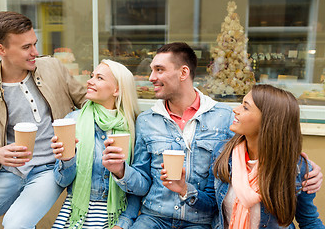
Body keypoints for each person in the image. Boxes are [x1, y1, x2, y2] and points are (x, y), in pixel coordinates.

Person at [102, 42, 323, 229]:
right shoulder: (147, 121)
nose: (151, 77)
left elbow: (271, 145)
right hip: (155, 216)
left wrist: (305, 167)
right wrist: (121, 172)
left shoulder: (225, 118)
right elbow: (141, 182)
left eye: (159, 70)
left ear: (183, 73)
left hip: (200, 220)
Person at [0, 11, 87, 228]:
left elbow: (86, 102)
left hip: (50, 169)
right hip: (8, 171)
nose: (35, 52)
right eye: (26, 47)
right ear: (0, 49)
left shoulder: (54, 68)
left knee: (15, 224)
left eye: (34, 44)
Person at [162, 84, 324, 228]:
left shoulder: (297, 168)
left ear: (268, 120)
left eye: (245, 107)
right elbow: (212, 205)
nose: (235, 110)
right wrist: (184, 189)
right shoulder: (223, 153)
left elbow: (308, 221)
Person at [51, 59, 141, 229]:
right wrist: (67, 159)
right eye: (92, 76)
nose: (90, 81)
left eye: (99, 78)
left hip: (116, 215)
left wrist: (123, 224)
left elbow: (139, 189)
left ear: (117, 89)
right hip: (75, 213)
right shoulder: (72, 121)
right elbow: (62, 181)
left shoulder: (134, 127)